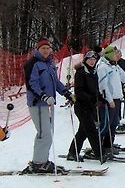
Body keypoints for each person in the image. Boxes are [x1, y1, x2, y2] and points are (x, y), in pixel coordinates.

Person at [23, 38, 74, 174]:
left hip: (48, 104)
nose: (46, 50)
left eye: (47, 48)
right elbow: (31, 84)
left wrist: (66, 93)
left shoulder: (49, 63)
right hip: (38, 104)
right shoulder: (32, 63)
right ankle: (38, 163)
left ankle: (42, 160)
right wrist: (43, 96)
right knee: (44, 133)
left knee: (48, 133)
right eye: (43, 48)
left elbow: (55, 82)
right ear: (38, 50)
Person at [97, 45, 125, 157]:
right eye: (115, 53)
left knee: (114, 123)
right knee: (107, 124)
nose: (117, 55)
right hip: (108, 100)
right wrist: (109, 99)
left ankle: (109, 145)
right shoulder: (103, 67)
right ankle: (100, 146)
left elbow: (123, 76)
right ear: (109, 55)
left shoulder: (115, 66)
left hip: (117, 98)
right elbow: (103, 85)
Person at [67, 50, 105, 163]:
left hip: (90, 106)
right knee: (91, 130)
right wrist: (91, 98)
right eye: (90, 59)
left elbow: (95, 89)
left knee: (83, 131)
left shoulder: (93, 72)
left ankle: (72, 152)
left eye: (94, 59)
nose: (92, 62)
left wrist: (101, 99)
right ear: (85, 60)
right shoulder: (81, 72)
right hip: (82, 106)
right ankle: (99, 154)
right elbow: (79, 91)